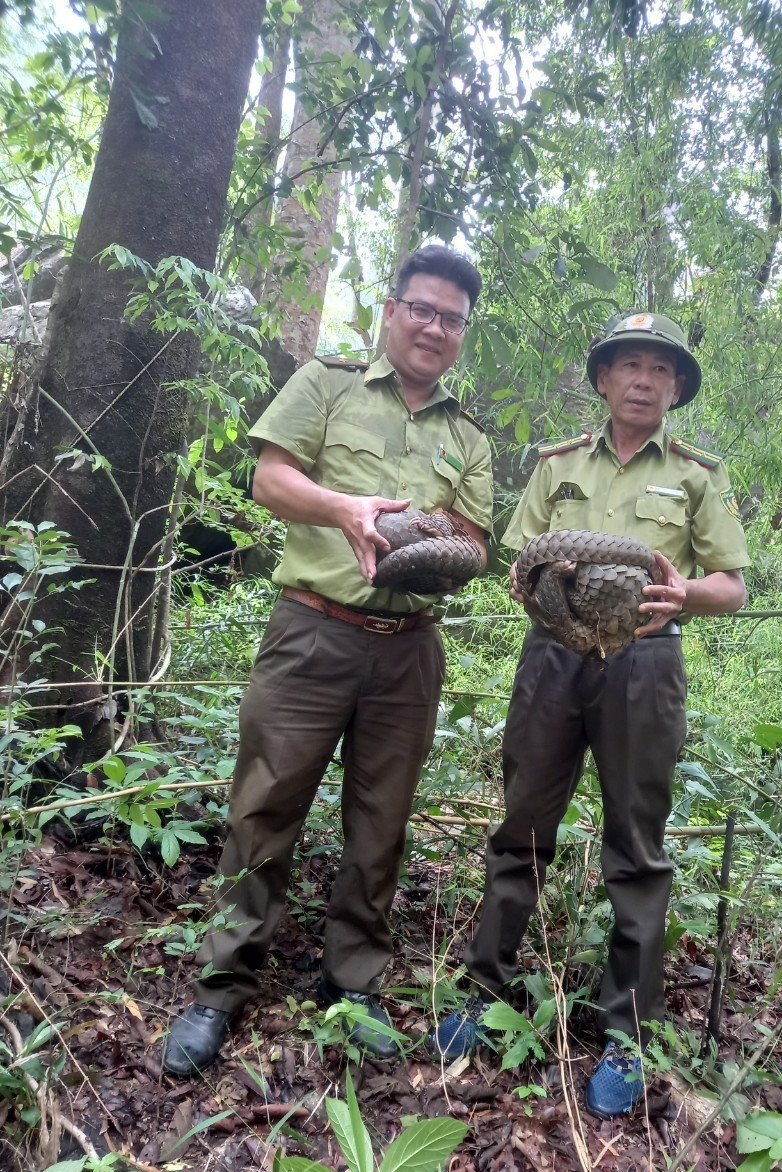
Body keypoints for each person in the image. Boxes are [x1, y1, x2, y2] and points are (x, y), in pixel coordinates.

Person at [164, 245, 493, 1075]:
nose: (434, 327)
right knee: (265, 805)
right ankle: (223, 987)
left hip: (409, 650)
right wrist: (344, 508)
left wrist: (444, 547)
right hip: (312, 632)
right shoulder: (329, 384)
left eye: (451, 318)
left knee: (380, 826)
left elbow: (480, 545)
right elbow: (269, 480)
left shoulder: (468, 437)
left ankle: (352, 983)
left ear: (462, 333)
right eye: (421, 308)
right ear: (391, 309)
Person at [435, 312, 750, 1118]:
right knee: (522, 825)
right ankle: (484, 991)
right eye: (628, 365)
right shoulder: (557, 464)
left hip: (645, 665)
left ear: (676, 388)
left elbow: (732, 585)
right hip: (552, 658)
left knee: (636, 845)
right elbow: (517, 558)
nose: (643, 380)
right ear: (604, 379)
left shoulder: (697, 476)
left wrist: (686, 593)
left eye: (660, 370)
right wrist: (545, 570)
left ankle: (626, 1034)